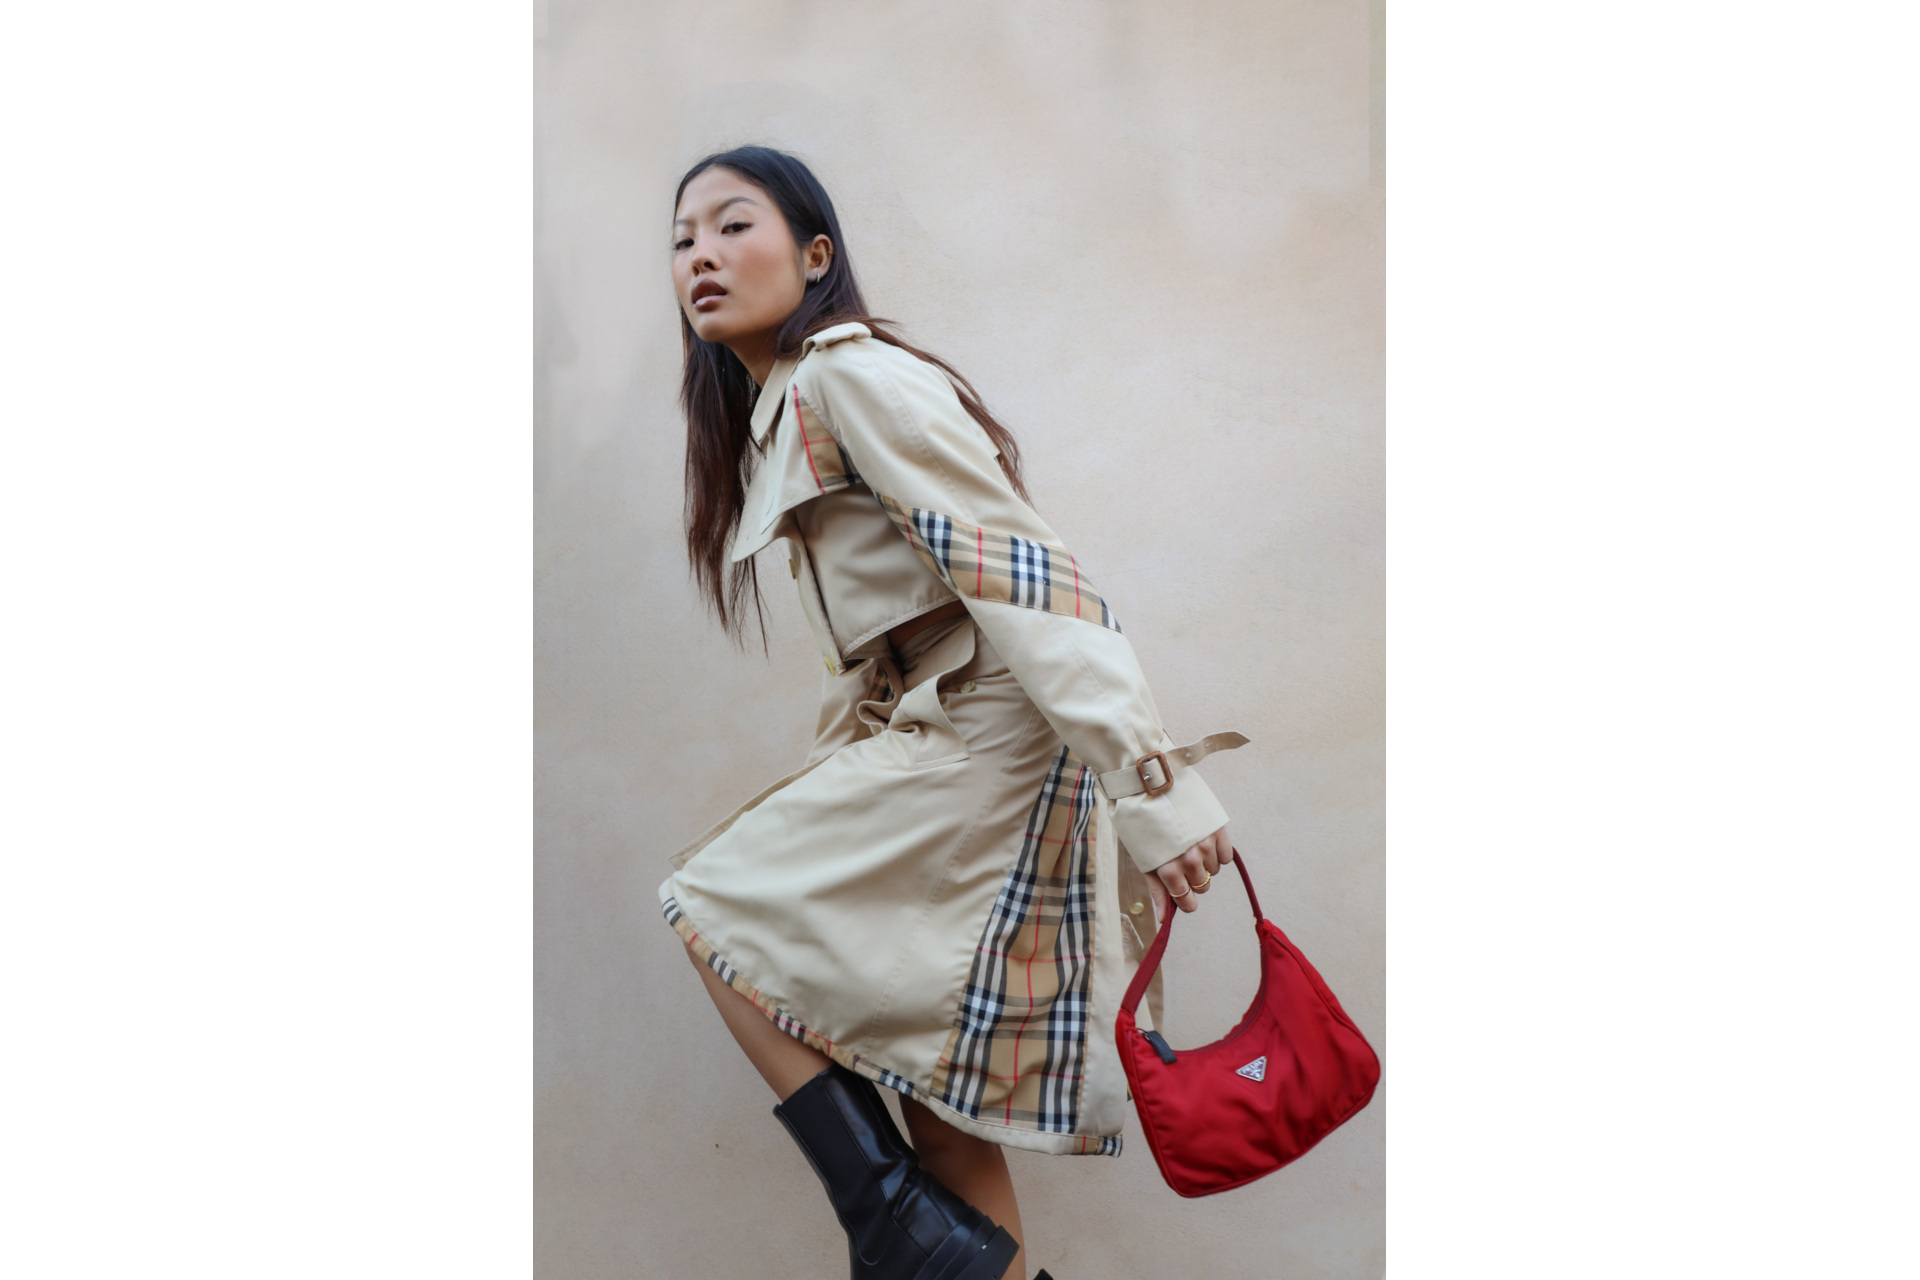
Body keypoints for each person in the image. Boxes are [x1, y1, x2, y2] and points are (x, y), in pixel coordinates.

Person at [658, 145, 1242, 1280]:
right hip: (962, 732)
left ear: (816, 255)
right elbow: (881, 658)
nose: (701, 258)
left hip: (1000, 742)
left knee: (711, 904)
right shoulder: (787, 407)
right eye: (682, 241)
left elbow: (1027, 576)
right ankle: (920, 1230)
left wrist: (1153, 787)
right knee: (944, 1105)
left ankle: (890, 1222)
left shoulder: (849, 376)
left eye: (734, 226)